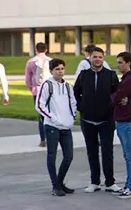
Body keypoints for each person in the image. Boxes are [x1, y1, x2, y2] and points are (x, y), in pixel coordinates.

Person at [74, 46, 122, 194]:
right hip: (87, 120)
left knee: (107, 151)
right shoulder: (83, 75)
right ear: (90, 58)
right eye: (95, 57)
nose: (98, 59)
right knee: (92, 151)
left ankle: (110, 182)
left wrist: (112, 108)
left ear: (103, 58)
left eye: (100, 57)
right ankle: (94, 182)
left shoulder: (111, 75)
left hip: (106, 120)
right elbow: (75, 93)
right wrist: (82, 107)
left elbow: (117, 94)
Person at [35, 59, 77, 197]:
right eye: (57, 69)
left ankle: (60, 182)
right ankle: (55, 185)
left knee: (69, 157)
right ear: (52, 71)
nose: (60, 71)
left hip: (66, 126)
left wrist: (72, 118)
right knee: (52, 156)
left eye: (62, 69)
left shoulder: (68, 87)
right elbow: (39, 105)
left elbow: (73, 103)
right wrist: (53, 118)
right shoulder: (47, 85)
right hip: (52, 126)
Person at [111, 52, 131, 199]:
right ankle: (128, 185)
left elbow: (117, 96)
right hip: (123, 120)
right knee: (127, 155)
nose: (118, 65)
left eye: (120, 62)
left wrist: (117, 98)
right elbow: (118, 96)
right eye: (118, 62)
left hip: (128, 121)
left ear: (128, 63)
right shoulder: (127, 79)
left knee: (130, 155)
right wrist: (117, 97)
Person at [25, 42, 52, 147]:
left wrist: (32, 89)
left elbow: (27, 80)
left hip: (37, 91)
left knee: (41, 116)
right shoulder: (51, 61)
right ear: (46, 50)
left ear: (36, 50)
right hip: (49, 91)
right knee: (49, 114)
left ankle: (43, 139)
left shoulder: (31, 62)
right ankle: (51, 137)